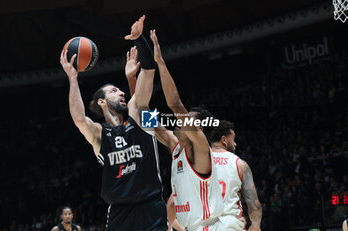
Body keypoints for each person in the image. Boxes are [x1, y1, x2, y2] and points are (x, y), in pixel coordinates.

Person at [60, 15, 167, 231]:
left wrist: (139, 39)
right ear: (101, 101)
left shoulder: (140, 117)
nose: (120, 92)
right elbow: (79, 119)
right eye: (113, 90)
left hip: (152, 207)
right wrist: (72, 78)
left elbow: (148, 73)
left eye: (121, 89)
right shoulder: (101, 134)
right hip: (120, 212)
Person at [148, 29, 224, 231]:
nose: (181, 120)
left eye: (188, 118)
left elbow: (174, 103)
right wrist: (134, 78)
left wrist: (159, 62)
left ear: (198, 128)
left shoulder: (200, 149)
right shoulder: (177, 147)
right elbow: (144, 117)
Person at [208, 120, 262, 231]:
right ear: (224, 140)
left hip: (202, 225)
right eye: (233, 140)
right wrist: (255, 226)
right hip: (229, 225)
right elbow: (255, 206)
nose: (235, 144)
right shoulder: (240, 164)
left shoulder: (198, 162)